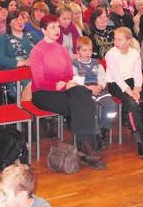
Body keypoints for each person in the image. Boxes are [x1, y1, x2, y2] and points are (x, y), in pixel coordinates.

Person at [29, 15, 104, 169]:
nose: (57, 30)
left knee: (84, 95)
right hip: (43, 92)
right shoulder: (37, 50)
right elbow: (39, 81)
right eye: (52, 27)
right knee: (79, 104)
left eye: (57, 27)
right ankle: (87, 147)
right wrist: (64, 86)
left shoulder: (61, 49)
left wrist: (68, 83)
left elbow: (69, 74)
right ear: (43, 30)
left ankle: (85, 146)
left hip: (64, 88)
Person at [106, 27, 143, 157]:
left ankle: (140, 122)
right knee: (132, 104)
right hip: (116, 84)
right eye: (115, 39)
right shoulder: (111, 54)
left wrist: (137, 88)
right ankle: (140, 140)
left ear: (129, 41)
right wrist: (130, 92)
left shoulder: (134, 53)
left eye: (120, 39)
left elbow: (137, 73)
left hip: (132, 82)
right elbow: (117, 77)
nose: (116, 42)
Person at [72, 37, 119, 152]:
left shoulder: (97, 64)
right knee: (91, 109)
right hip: (85, 90)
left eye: (90, 50)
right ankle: (96, 135)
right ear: (78, 51)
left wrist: (100, 86)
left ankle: (104, 129)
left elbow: (103, 77)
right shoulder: (74, 64)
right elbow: (75, 80)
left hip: (99, 88)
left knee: (111, 106)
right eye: (84, 50)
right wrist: (88, 88)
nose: (88, 53)